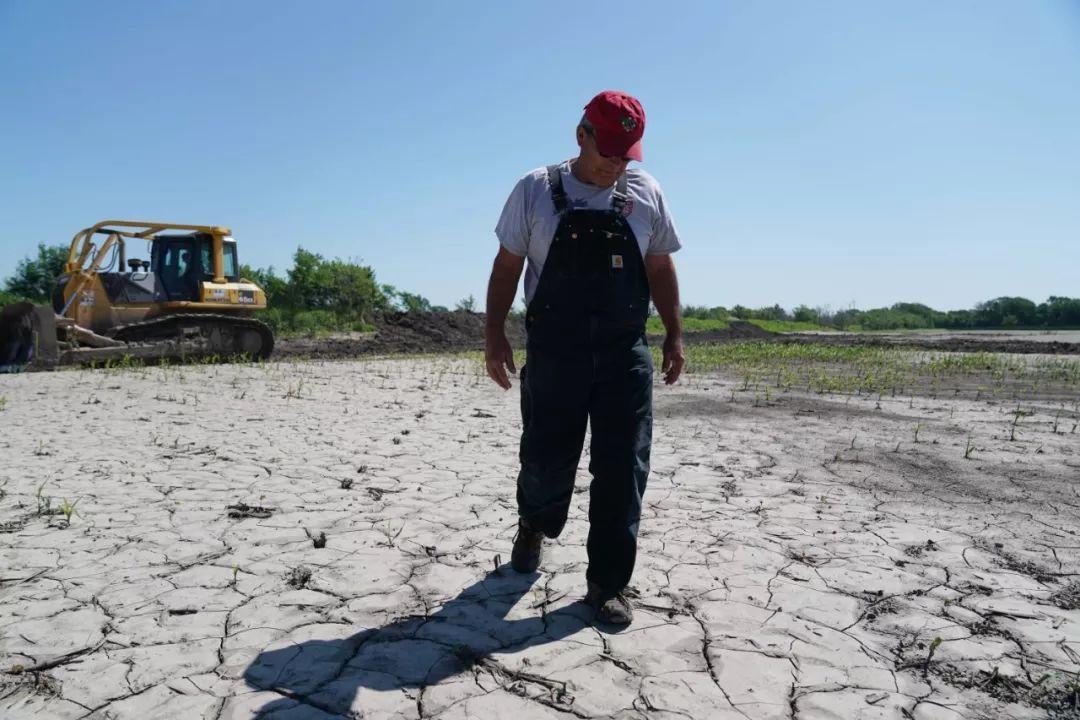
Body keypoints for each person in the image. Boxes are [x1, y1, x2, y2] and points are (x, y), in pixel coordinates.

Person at [484, 90, 684, 625]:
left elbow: (660, 268)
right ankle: (533, 525)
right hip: (556, 349)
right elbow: (506, 268)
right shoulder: (534, 190)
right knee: (547, 457)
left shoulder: (646, 193)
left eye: (626, 154)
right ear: (581, 135)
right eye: (608, 152)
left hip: (624, 351)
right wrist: (494, 336)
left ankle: (608, 583)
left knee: (623, 468)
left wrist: (674, 334)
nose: (617, 164)